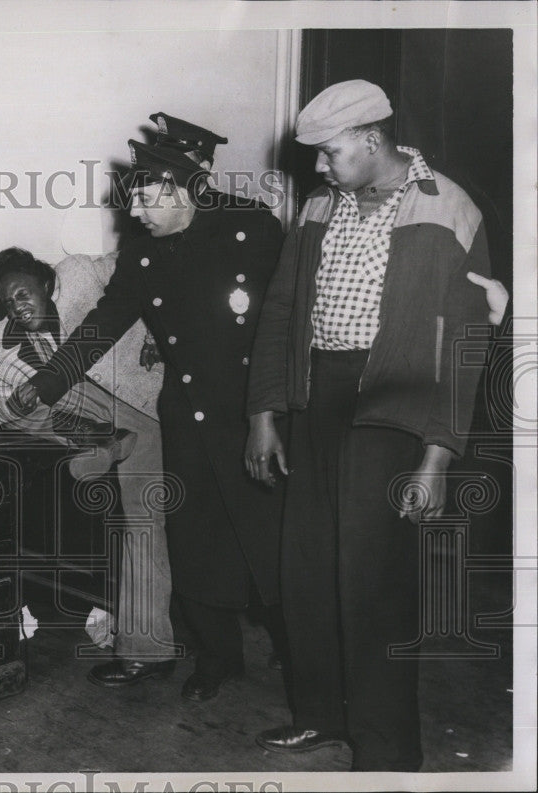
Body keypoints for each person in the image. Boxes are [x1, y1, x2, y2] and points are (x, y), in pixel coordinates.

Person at [245, 80, 492, 771]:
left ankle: (388, 750)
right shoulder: (321, 205)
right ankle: (320, 715)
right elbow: (281, 310)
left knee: (374, 584)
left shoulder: (450, 208)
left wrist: (437, 458)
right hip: (316, 398)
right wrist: (263, 414)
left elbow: (464, 349)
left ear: (372, 140)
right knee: (307, 572)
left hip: (392, 408)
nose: (318, 169)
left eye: (328, 153)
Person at [10, 125, 287, 701]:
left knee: (270, 540)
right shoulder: (142, 250)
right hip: (186, 413)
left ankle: (298, 651)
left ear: (182, 188)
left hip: (252, 412)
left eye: (143, 195)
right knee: (193, 541)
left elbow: (282, 325)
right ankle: (218, 660)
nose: (133, 210)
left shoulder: (252, 229)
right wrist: (47, 383)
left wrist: (272, 413)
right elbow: (105, 322)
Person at [0, 246, 177, 681]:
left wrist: (162, 328)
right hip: (89, 419)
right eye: (7, 301)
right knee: (24, 399)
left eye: (23, 294)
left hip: (147, 405)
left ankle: (145, 648)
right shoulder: (3, 342)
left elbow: (153, 267)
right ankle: (101, 443)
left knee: (144, 521)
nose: (17, 307)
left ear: (47, 285)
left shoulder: (82, 273)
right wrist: (13, 403)